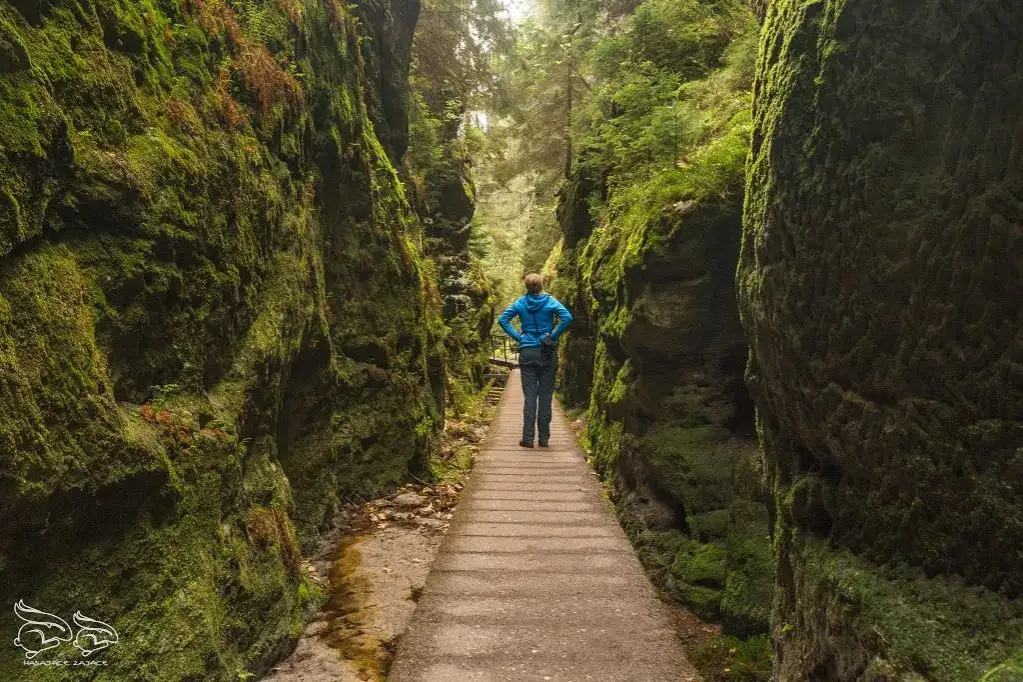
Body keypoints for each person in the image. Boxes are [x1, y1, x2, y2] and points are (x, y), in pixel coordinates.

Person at [498, 273, 574, 448]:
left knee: (530, 397)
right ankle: (544, 438)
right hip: (547, 352)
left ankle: (527, 438)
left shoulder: (520, 303)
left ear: (526, 286)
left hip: (527, 352)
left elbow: (503, 320)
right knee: (545, 397)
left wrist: (519, 338)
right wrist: (552, 336)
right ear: (541, 285)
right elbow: (567, 318)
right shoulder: (550, 301)